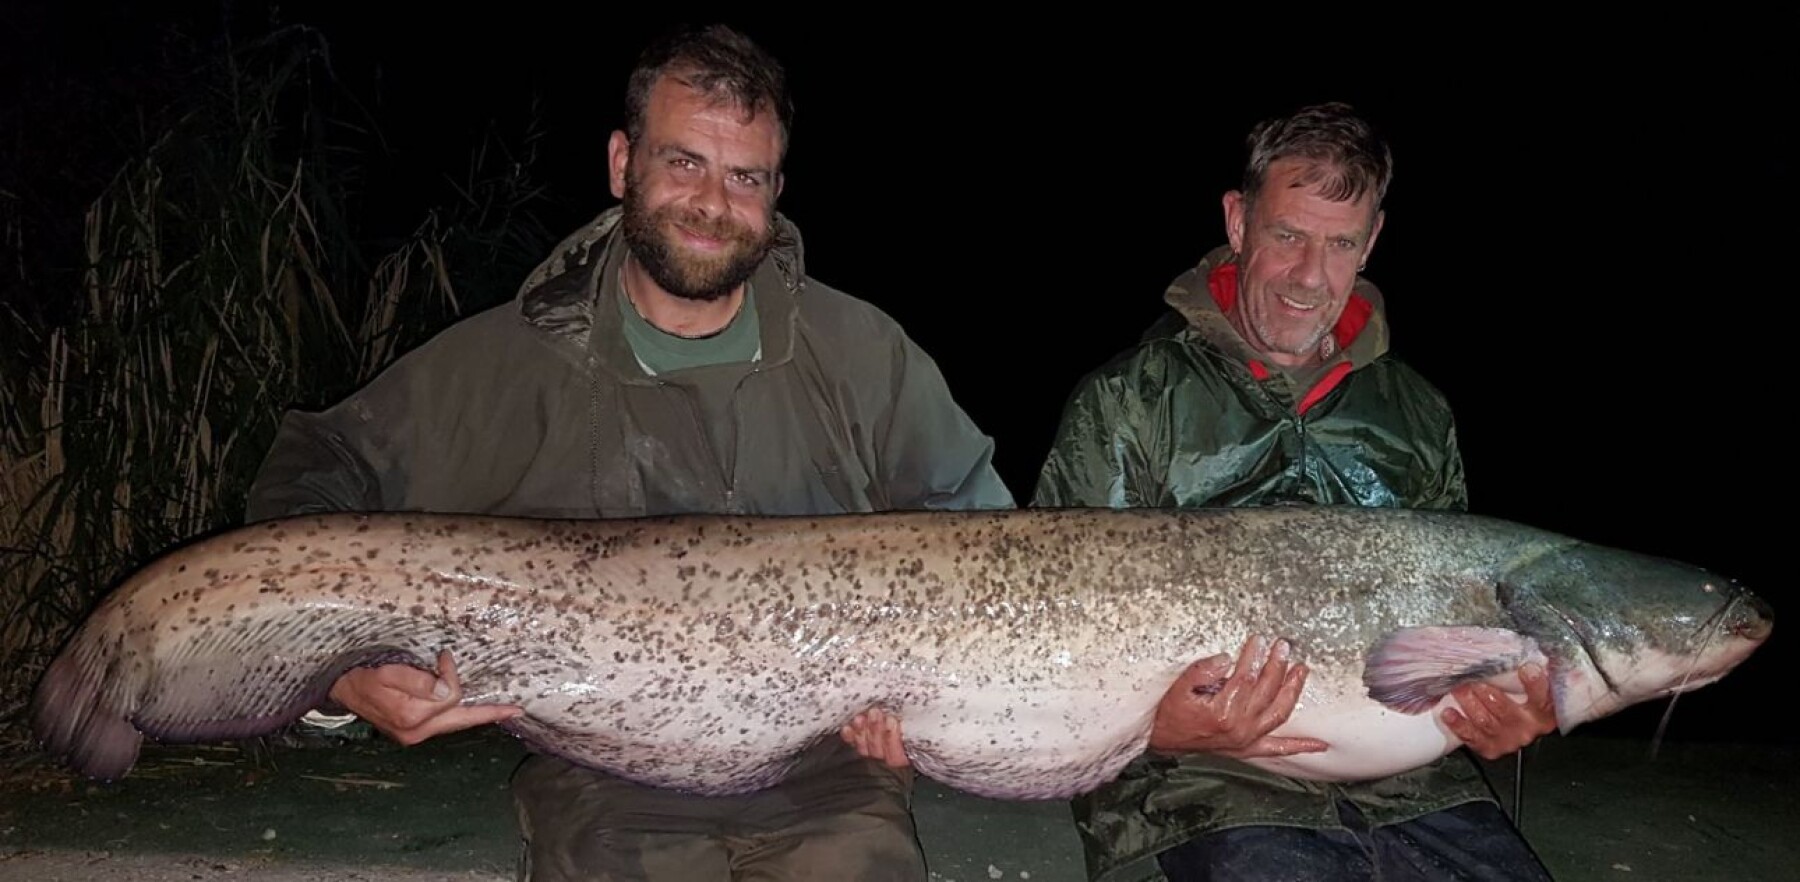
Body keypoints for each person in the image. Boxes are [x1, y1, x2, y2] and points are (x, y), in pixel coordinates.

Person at [243, 22, 1014, 882]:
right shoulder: (510, 363)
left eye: (745, 177)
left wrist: (935, 708)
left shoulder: (862, 354)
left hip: (828, 767)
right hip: (604, 773)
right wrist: (340, 672)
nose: (713, 202)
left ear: (776, 192)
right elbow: (318, 466)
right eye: (684, 162)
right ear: (622, 164)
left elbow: (992, 553)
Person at [845, 101, 1560, 881]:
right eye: (1287, 235)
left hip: (1412, 788)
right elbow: (1047, 638)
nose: (1309, 276)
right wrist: (1161, 729)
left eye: (1340, 244)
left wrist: (1508, 710)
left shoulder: (1419, 416)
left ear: (1373, 240)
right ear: (1238, 222)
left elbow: (1456, 635)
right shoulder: (1130, 401)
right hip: (1191, 789)